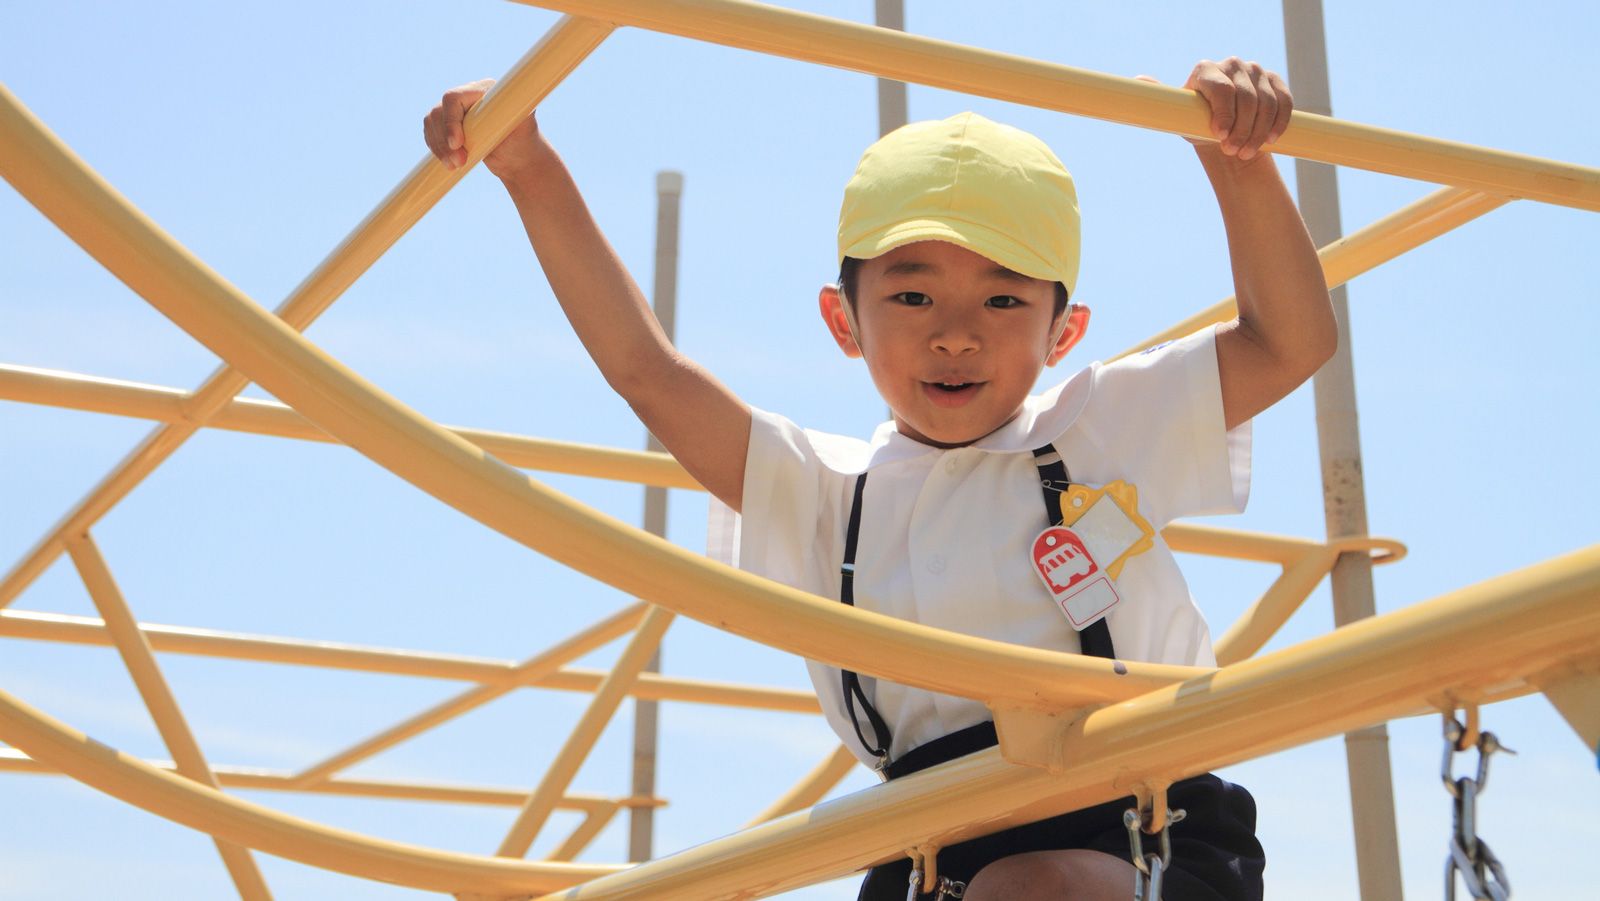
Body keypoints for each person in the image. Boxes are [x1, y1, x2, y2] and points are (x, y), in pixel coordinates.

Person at [424, 56, 1332, 901]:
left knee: (1028, 891)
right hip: (929, 841)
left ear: (1064, 332)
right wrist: (528, 167)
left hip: (1140, 814)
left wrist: (1238, 160)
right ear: (842, 320)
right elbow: (646, 372)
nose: (956, 334)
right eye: (911, 295)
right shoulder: (831, 492)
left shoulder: (1098, 428)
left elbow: (1291, 342)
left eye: (1004, 299)